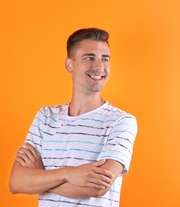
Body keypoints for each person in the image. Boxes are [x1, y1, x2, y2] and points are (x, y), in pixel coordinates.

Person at [9, 28, 138, 206]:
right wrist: (68, 174)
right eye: (89, 57)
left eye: (105, 58)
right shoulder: (46, 117)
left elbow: (96, 188)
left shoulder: (121, 122)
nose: (99, 66)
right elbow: (16, 182)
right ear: (70, 65)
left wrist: (41, 177)